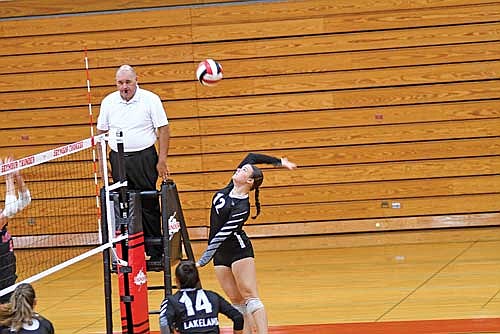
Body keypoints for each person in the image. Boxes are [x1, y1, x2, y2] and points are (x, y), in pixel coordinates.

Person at [196, 153, 296, 334]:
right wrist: (280, 162)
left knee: (250, 297)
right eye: (241, 168)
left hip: (238, 250)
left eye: (243, 171)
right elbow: (251, 157)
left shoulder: (242, 207)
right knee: (236, 300)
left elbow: (221, 235)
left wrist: (201, 262)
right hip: (220, 253)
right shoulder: (228, 189)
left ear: (249, 182)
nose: (238, 169)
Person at [97, 64, 170, 262]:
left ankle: (156, 252)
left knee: (148, 203)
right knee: (122, 204)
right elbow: (100, 135)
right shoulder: (108, 102)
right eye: (120, 83)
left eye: (128, 82)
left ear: (136, 80)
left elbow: (163, 129)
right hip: (118, 159)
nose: (124, 87)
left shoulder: (150, 99)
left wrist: (162, 159)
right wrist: (104, 165)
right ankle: (128, 253)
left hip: (145, 158)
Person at [159, 260, 243, 334]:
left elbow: (164, 323)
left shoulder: (171, 301)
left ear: (176, 280)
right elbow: (238, 317)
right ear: (198, 279)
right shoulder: (213, 296)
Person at [1, 158, 31, 304]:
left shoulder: (3, 221)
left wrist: (17, 175)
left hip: (8, 278)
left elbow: (26, 200)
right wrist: (8, 177)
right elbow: (12, 207)